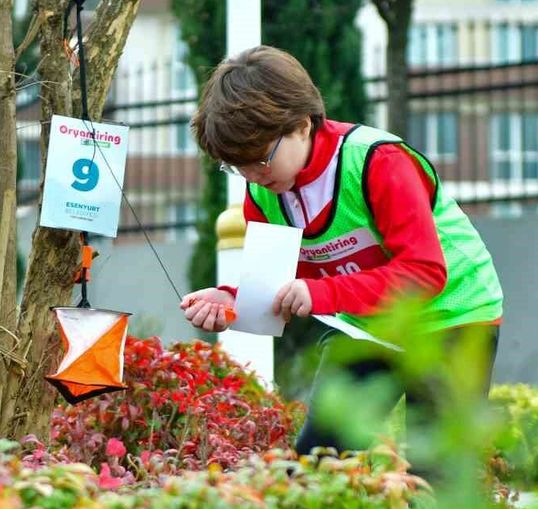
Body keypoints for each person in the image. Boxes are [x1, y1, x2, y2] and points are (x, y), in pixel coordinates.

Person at [180, 45, 504, 467]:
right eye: (236, 165)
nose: (252, 175)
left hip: (454, 316)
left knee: (438, 475)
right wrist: (233, 300)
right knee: (321, 461)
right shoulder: (263, 191)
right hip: (367, 325)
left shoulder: (378, 162)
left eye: (259, 158)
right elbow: (282, 280)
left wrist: (321, 294)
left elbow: (424, 273)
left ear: (300, 125)